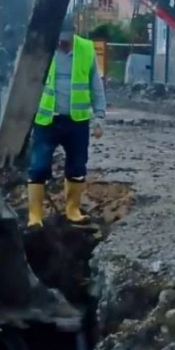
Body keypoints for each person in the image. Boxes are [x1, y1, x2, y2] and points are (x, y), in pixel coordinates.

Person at [26, 16, 107, 228]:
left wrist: (99, 117)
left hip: (77, 121)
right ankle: (35, 215)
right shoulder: (43, 48)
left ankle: (73, 210)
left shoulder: (86, 49)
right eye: (60, 39)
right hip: (47, 120)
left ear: (74, 32)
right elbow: (29, 82)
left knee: (77, 166)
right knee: (38, 166)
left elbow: (95, 86)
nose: (63, 43)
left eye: (66, 39)